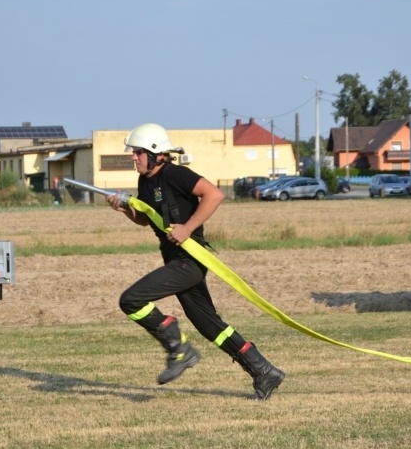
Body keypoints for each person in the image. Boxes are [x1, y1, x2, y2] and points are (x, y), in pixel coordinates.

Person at [107, 123, 285, 400]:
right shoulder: (146, 181)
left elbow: (215, 194)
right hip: (175, 260)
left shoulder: (176, 174)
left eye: (137, 152)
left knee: (131, 300)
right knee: (209, 325)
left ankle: (179, 350)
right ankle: (264, 371)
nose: (133, 157)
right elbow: (146, 218)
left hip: (189, 261)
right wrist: (124, 210)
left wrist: (188, 228)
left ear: (156, 153)